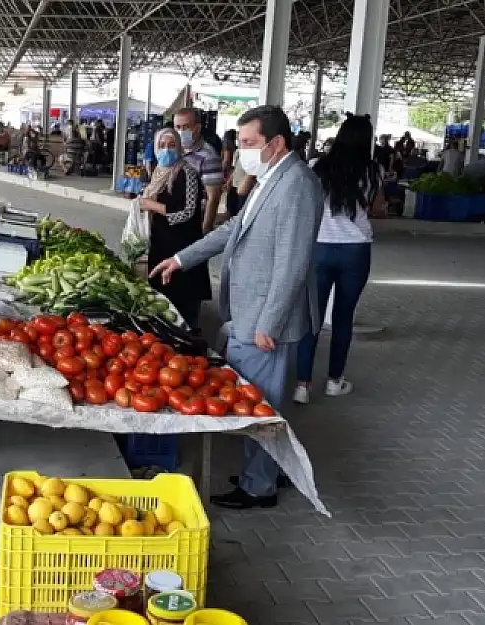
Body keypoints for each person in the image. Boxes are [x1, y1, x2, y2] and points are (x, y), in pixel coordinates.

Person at [150, 105, 322, 510]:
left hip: (264, 318)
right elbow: (233, 229)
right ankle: (266, 471)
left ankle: (259, 486)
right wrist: (181, 258)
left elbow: (293, 263)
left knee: (258, 405)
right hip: (250, 310)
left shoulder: (296, 185)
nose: (241, 151)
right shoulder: (268, 177)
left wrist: (270, 323)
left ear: (276, 143)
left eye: (248, 143)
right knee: (259, 399)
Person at [293, 113, 383, 404]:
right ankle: (334, 381)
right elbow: (377, 208)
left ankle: (302, 385)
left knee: (312, 317)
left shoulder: (317, 167)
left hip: (319, 247)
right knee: (343, 317)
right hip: (356, 250)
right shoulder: (373, 170)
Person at [138, 128, 211, 331]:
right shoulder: (159, 173)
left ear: (179, 147)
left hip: (183, 246)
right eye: (162, 146)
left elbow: (187, 212)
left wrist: (152, 206)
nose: (167, 150)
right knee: (163, 300)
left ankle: (190, 342)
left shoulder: (187, 173)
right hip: (162, 243)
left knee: (184, 302)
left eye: (171, 145)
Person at [173, 108, 225, 233]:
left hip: (193, 222)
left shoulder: (208, 157)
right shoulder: (174, 151)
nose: (181, 132)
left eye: (186, 127)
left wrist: (205, 228)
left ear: (197, 127)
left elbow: (213, 197)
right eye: (178, 127)